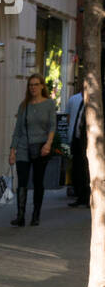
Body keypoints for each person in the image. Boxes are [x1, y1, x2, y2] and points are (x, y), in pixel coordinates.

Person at [8, 73, 56, 226]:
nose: (33, 87)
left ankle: (36, 215)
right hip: (23, 147)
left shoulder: (49, 104)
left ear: (42, 86)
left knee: (37, 182)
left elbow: (52, 126)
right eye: (31, 85)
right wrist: (12, 151)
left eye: (36, 84)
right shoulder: (24, 106)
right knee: (21, 182)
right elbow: (17, 130)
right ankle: (20, 216)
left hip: (41, 148)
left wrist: (48, 144)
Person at [67, 89, 89, 208]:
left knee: (86, 171)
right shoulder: (81, 102)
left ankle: (87, 197)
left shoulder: (94, 104)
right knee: (78, 169)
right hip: (77, 140)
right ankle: (80, 197)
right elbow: (75, 120)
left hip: (88, 143)